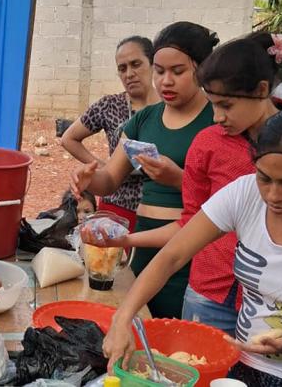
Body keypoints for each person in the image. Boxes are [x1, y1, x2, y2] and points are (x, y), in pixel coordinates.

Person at [103, 104, 282, 387]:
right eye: (264, 178)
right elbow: (172, 256)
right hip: (244, 365)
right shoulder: (245, 194)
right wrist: (123, 317)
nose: (273, 195)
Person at [83, 32, 282, 336]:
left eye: (225, 105)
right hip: (210, 289)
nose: (217, 117)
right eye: (159, 71)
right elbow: (188, 228)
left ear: (262, 90)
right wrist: (125, 249)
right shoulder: (209, 143)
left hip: (274, 295)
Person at [71, 22, 218, 318]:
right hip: (144, 240)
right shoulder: (145, 119)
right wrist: (89, 179)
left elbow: (227, 199)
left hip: (191, 247)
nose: (166, 81)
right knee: (139, 323)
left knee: (176, 330)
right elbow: (109, 180)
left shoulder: (216, 118)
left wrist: (178, 179)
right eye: (160, 71)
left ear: (202, 70)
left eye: (178, 71)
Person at [61, 36, 159, 231]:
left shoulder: (169, 109)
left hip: (158, 209)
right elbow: (68, 138)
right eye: (122, 68)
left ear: (153, 64)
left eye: (136, 64)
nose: (129, 74)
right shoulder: (110, 105)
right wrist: (103, 166)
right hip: (116, 206)